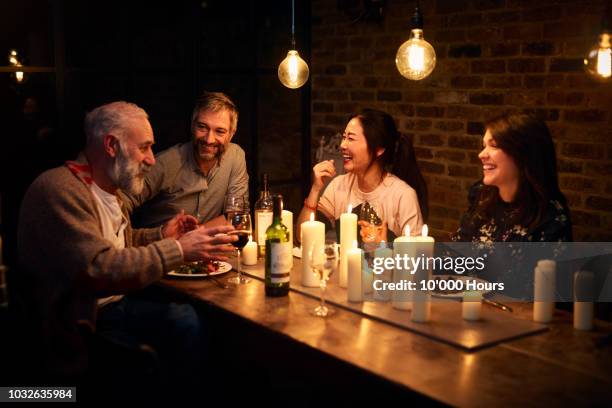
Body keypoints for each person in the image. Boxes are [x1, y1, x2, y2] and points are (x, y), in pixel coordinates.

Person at [16, 101, 237, 384]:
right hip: (80, 325)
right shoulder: (60, 189)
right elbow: (99, 267)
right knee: (186, 325)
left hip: (113, 307)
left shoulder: (108, 189)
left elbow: (118, 243)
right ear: (111, 145)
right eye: (144, 147)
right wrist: (179, 249)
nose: (151, 159)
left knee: (192, 319)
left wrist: (162, 235)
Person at [122, 91, 248, 229]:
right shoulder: (166, 162)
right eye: (202, 127)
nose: (209, 139)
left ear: (231, 134)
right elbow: (121, 200)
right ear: (192, 126)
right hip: (160, 247)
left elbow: (236, 216)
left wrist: (195, 236)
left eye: (220, 131)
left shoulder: (236, 156)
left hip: (201, 247)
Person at [298, 109, 427, 242]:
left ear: (378, 149)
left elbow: (418, 259)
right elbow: (303, 238)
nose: (342, 145)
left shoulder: (403, 195)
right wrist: (315, 189)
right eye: (344, 137)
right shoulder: (339, 185)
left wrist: (383, 246)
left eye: (351, 138)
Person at [451, 114, 572, 243]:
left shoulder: (549, 218)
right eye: (484, 146)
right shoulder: (482, 194)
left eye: (494, 146)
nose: (481, 155)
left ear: (523, 153)